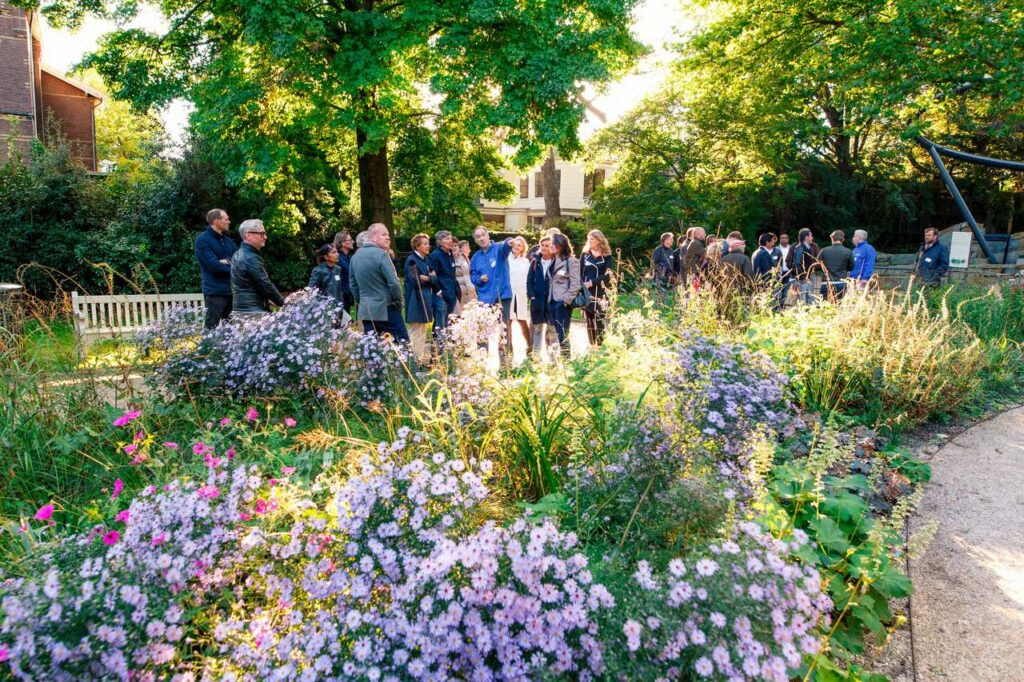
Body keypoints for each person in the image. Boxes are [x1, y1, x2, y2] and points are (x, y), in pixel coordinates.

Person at [349, 223, 408, 342]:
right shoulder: (382, 255)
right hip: (386, 308)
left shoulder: (355, 257)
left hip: (367, 310)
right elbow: (394, 283)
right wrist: (398, 302)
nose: (388, 237)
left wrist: (362, 301)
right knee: (403, 343)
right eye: (384, 234)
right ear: (373, 237)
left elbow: (353, 285)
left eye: (388, 235)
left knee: (372, 346)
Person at [470, 226, 515, 359]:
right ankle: (482, 360)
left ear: (488, 235)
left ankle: (505, 360)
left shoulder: (499, 249)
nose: (481, 238)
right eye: (478, 237)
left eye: (483, 235)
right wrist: (479, 279)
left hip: (502, 295)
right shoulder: (475, 257)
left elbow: (506, 246)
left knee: (504, 328)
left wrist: (509, 241)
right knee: (483, 330)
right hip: (485, 298)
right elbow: (473, 276)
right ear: (475, 240)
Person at [231, 219, 285, 318]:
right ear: (248, 235)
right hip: (253, 313)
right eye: (261, 234)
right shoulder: (251, 258)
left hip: (240, 310)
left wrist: (266, 299)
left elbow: (248, 283)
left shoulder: (237, 254)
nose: (265, 237)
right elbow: (265, 284)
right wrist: (284, 304)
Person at [195, 208, 236, 329]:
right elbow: (214, 266)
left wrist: (225, 262)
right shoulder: (202, 240)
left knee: (232, 330)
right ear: (217, 221)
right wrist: (230, 263)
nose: (229, 222)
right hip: (215, 292)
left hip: (232, 291)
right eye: (226, 219)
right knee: (211, 329)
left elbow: (238, 262)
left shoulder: (228, 241)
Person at [404, 234, 438, 364]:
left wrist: (428, 278)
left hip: (426, 297)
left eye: (428, 243)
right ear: (417, 246)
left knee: (423, 330)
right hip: (416, 300)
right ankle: (413, 361)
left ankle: (419, 359)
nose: (428, 246)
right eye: (425, 244)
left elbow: (435, 277)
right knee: (416, 331)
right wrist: (428, 278)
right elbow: (415, 281)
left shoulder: (426, 259)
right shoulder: (411, 260)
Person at [547, 234, 581, 357]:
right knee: (556, 334)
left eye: (553, 243)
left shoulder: (572, 261)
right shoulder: (553, 261)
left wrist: (566, 302)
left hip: (562, 303)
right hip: (552, 302)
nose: (551, 246)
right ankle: (559, 360)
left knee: (563, 334)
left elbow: (576, 284)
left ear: (561, 245)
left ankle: (566, 360)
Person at [581, 229, 614, 346]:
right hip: (587, 293)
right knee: (589, 321)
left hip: (601, 292)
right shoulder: (585, 255)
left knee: (600, 320)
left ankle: (600, 346)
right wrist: (582, 286)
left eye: (592, 239)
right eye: (588, 239)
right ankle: (592, 346)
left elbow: (607, 275)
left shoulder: (607, 256)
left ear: (599, 240)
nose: (590, 241)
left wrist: (592, 282)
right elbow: (580, 272)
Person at [527, 235, 557, 359]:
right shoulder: (535, 262)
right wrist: (531, 296)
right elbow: (529, 281)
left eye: (547, 246)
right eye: (542, 245)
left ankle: (553, 359)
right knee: (537, 329)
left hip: (551, 301)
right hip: (537, 301)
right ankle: (536, 358)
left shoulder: (556, 262)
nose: (544, 248)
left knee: (552, 330)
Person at [428, 231, 460, 334]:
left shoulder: (450, 254)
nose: (450, 241)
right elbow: (433, 276)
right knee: (440, 325)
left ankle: (444, 343)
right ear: (439, 242)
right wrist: (439, 291)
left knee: (446, 324)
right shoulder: (435, 255)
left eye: (451, 238)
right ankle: (439, 344)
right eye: (447, 239)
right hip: (440, 296)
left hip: (451, 293)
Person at [507, 236, 533, 355]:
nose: (516, 247)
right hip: (509, 293)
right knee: (508, 320)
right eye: (515, 244)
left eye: (519, 245)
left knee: (522, 319)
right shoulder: (506, 259)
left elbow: (528, 278)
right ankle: (508, 346)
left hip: (521, 293)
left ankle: (530, 345)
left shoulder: (525, 261)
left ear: (523, 248)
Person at [818, 230, 855, 300]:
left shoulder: (824, 251)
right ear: (843, 239)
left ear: (832, 239)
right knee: (839, 304)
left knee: (824, 304)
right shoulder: (848, 251)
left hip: (826, 282)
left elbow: (817, 265)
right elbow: (851, 267)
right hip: (840, 282)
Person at [791, 228, 817, 304]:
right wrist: (802, 277)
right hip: (803, 279)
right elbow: (797, 263)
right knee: (802, 299)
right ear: (806, 237)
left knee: (809, 298)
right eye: (811, 236)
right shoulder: (800, 247)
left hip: (807, 277)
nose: (812, 238)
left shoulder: (807, 247)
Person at [332, 231, 356, 314]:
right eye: (350, 240)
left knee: (353, 317)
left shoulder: (350, 256)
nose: (353, 242)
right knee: (345, 320)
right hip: (342, 298)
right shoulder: (337, 258)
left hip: (351, 297)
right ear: (343, 243)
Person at [454, 240, 476, 314]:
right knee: (460, 315)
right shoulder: (448, 259)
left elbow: (470, 271)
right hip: (458, 292)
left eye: (455, 245)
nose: (454, 248)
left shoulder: (464, 257)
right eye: (452, 246)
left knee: (473, 314)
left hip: (470, 290)